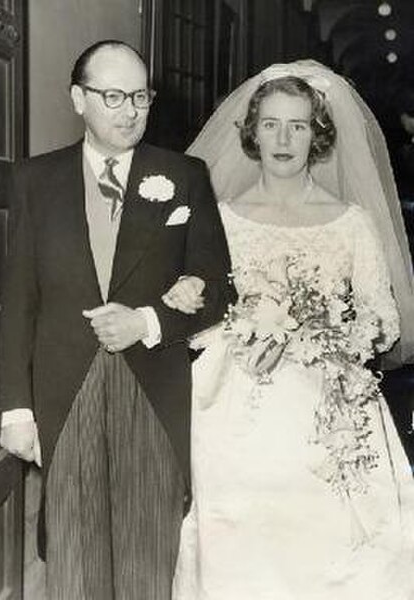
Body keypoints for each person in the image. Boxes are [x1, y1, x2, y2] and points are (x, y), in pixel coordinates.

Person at [166, 61, 414, 599]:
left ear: (318, 134)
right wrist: (242, 330)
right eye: (272, 124)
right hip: (236, 399)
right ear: (252, 131)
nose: (284, 139)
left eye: (298, 125)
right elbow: (196, 317)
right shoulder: (222, 217)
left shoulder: (351, 221)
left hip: (329, 403)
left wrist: (324, 333)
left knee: (331, 542)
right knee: (241, 536)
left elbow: (384, 320)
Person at [0, 40, 235, 599]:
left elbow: (218, 286)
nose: (129, 110)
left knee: (147, 556)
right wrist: (15, 409)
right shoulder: (35, 180)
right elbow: (18, 303)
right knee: (72, 558)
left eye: (140, 96)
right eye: (112, 96)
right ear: (78, 99)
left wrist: (149, 321)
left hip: (153, 389)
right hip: (63, 391)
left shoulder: (185, 175)